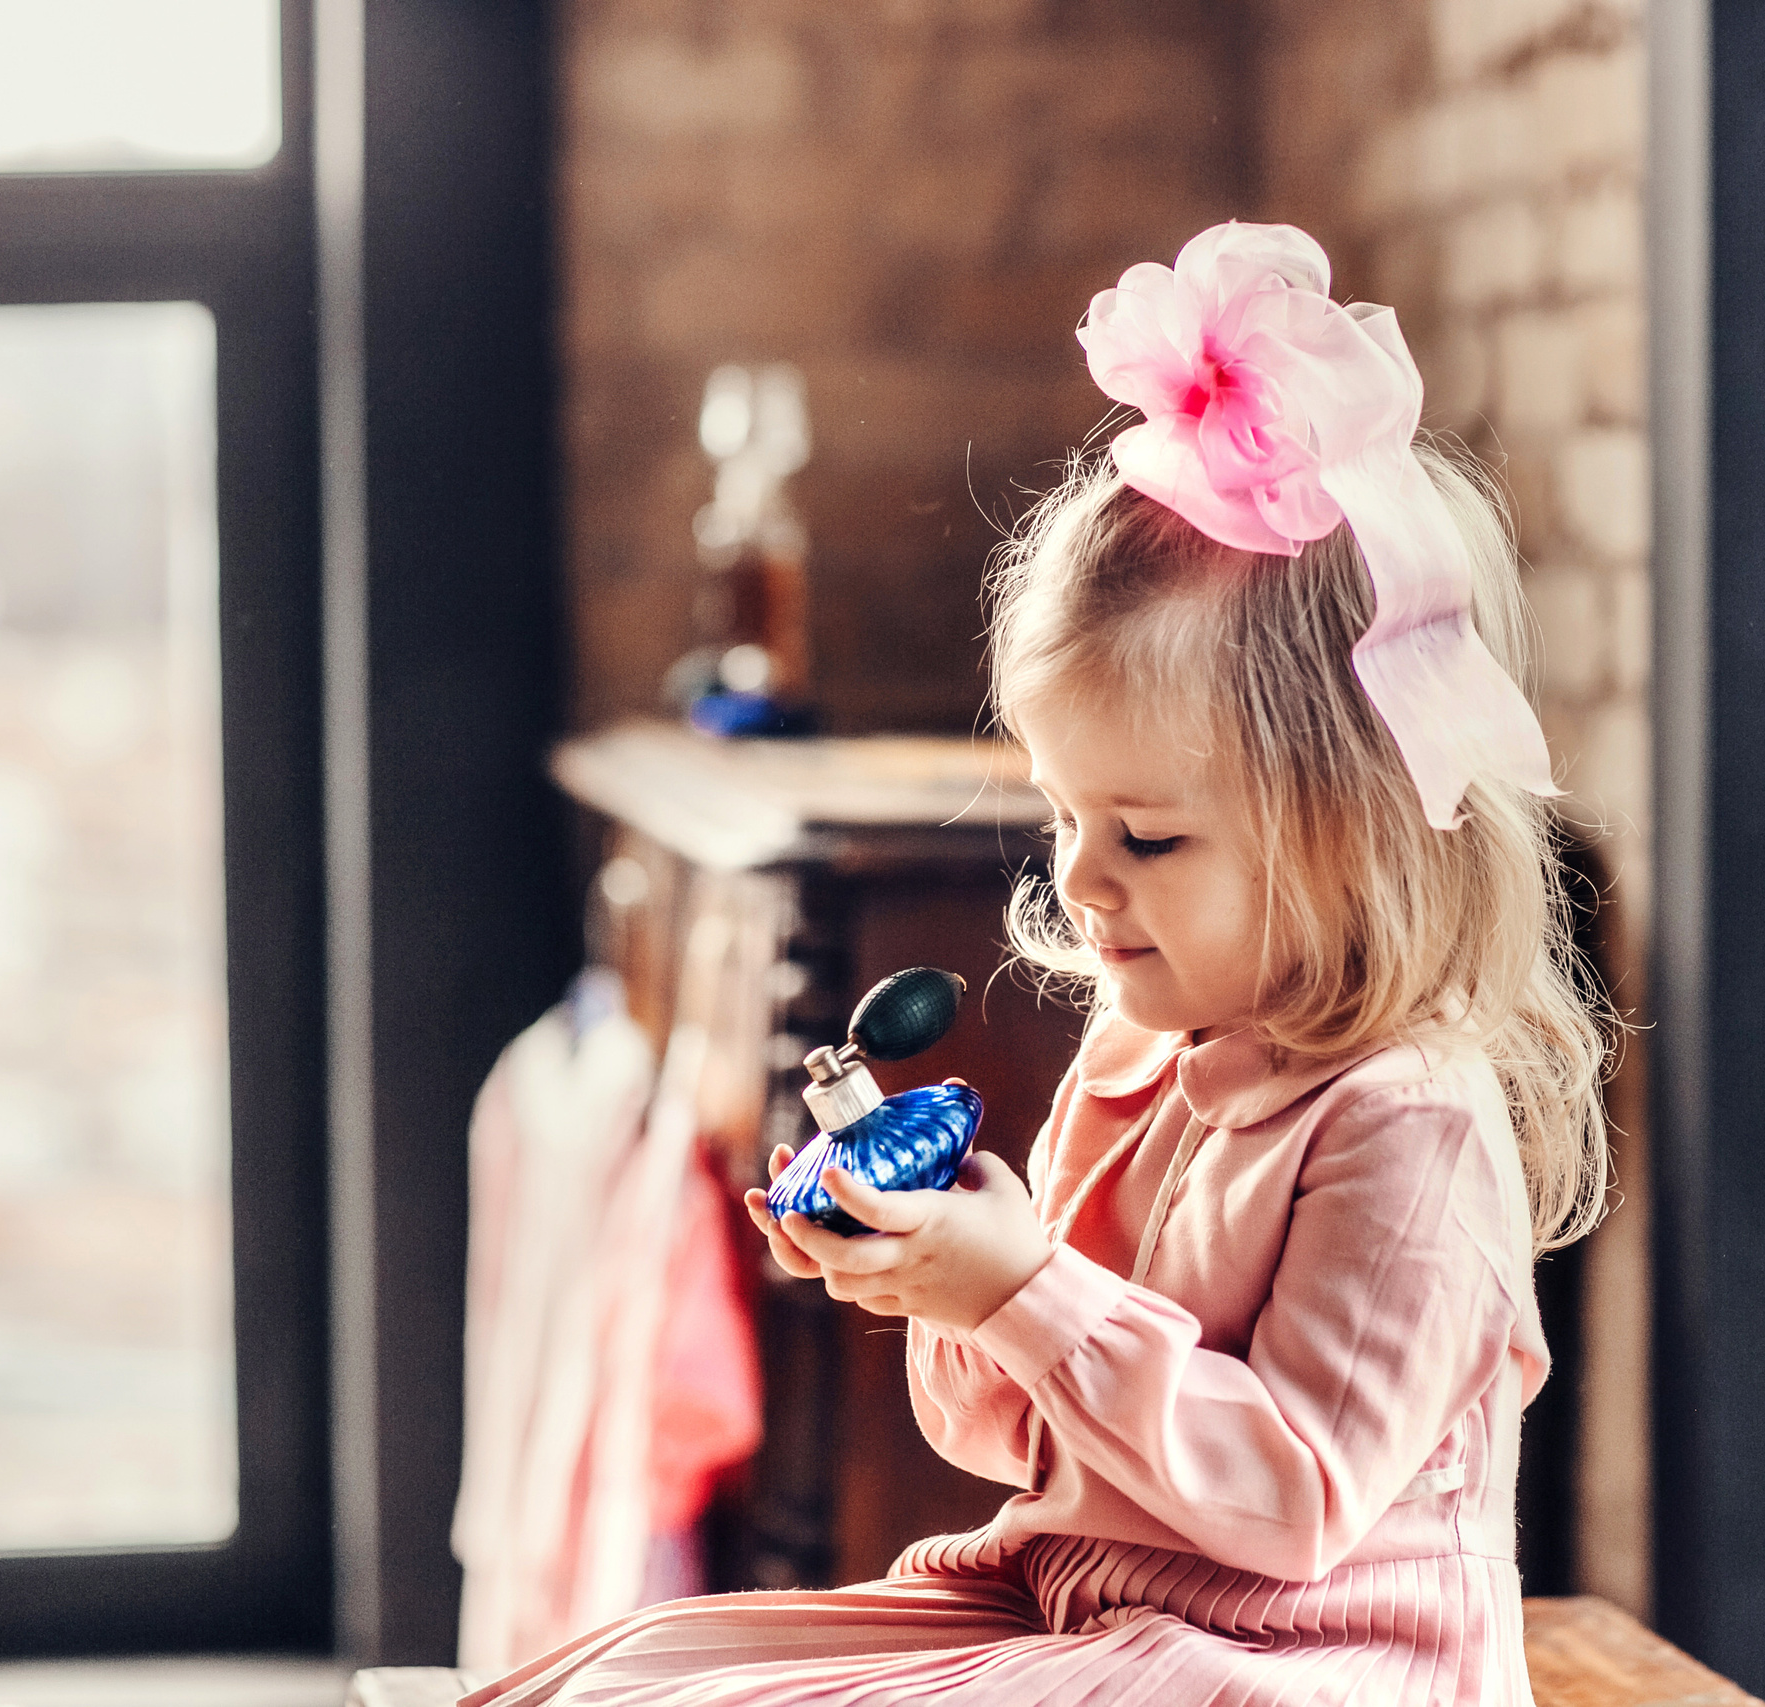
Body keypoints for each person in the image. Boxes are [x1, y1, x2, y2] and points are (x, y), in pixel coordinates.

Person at [454, 221, 1611, 1707]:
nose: (1080, 876)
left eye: (1147, 835)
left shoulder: (1408, 1123)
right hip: (1086, 1619)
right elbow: (1019, 1441)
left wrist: (1030, 1297)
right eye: (1064, 815)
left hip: (1302, 1673)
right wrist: (949, 1283)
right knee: (622, 1672)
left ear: (1353, 836)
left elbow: (1291, 1498)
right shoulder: (1139, 1055)